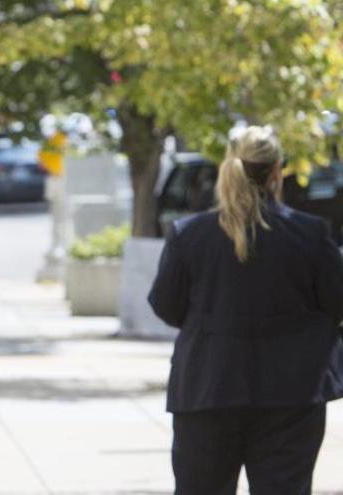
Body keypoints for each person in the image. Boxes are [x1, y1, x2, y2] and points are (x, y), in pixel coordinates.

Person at [148, 125, 343, 495]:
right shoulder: (310, 233)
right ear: (276, 170)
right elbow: (337, 304)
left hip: (207, 387)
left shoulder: (189, 234)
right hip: (291, 392)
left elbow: (166, 306)